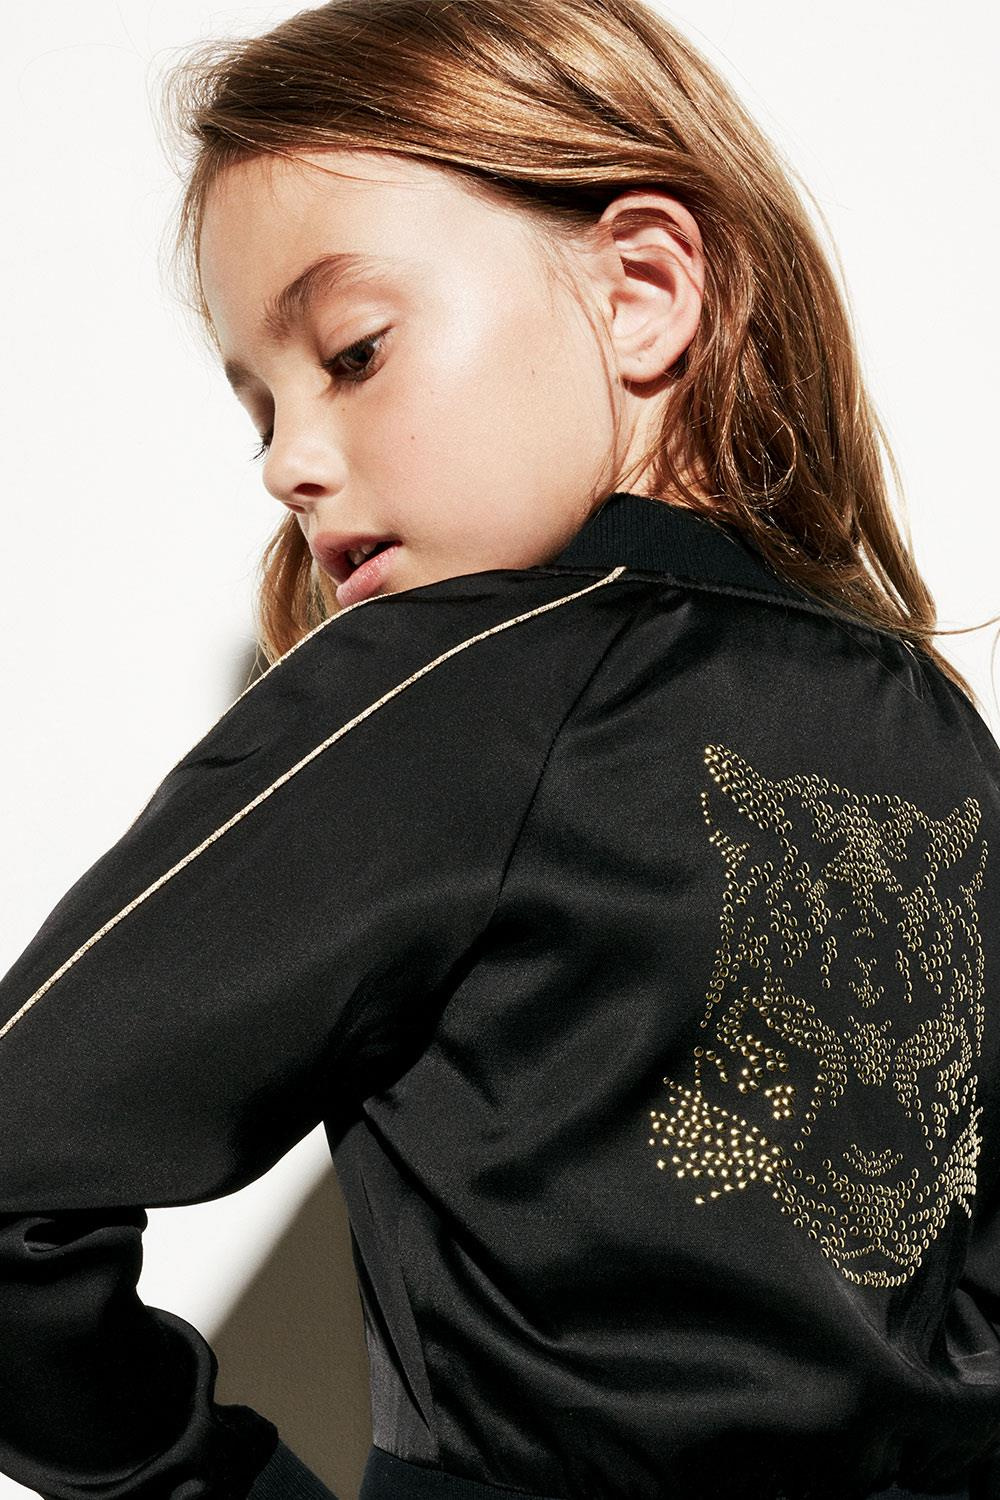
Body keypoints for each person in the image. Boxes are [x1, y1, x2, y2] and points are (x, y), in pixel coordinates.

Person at [1, 2, 998, 1499]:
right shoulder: (937, 728)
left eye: (352, 353)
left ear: (642, 290)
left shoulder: (454, 686)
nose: (286, 462)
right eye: (260, 409)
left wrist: (207, 1483)